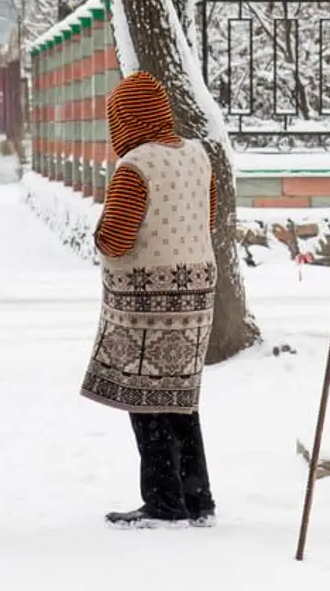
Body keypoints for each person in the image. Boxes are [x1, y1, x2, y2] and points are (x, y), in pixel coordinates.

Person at [80, 71, 219, 529]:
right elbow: (209, 216)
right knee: (181, 397)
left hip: (147, 301)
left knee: (149, 399)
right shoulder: (200, 155)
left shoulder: (135, 167)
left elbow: (117, 238)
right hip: (196, 291)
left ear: (123, 119)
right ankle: (197, 498)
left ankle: (163, 501)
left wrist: (97, 236)